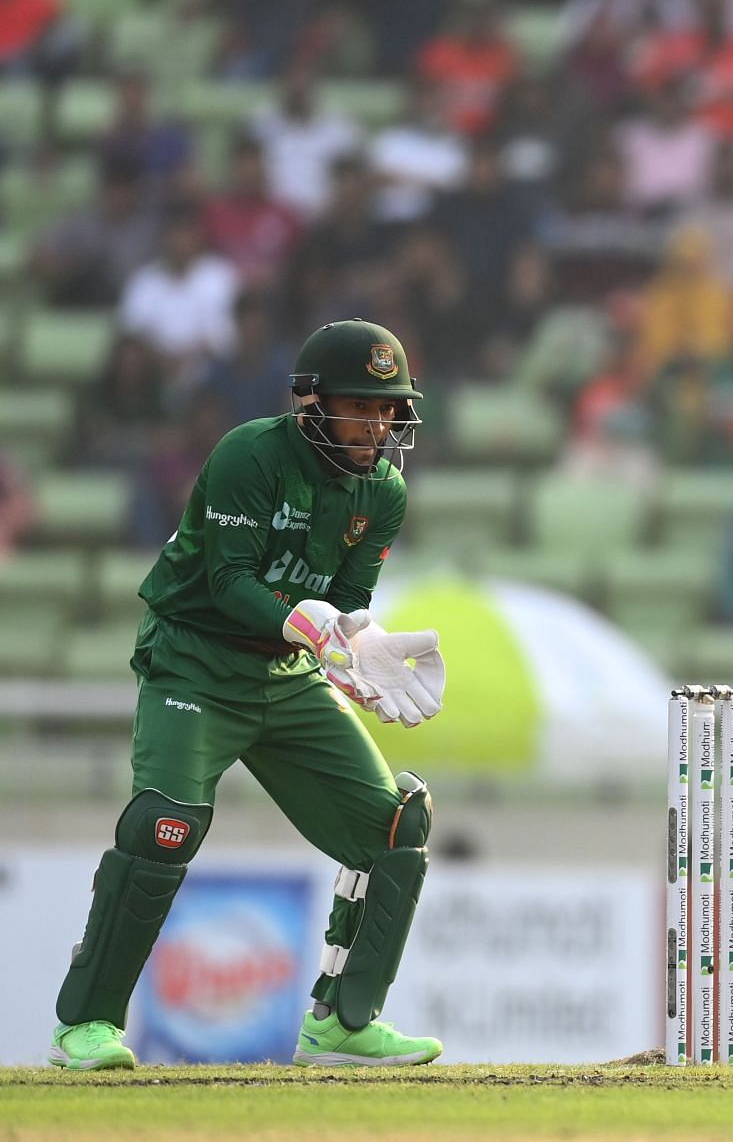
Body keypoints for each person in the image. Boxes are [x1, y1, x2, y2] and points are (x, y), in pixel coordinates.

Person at [48, 319, 449, 1072]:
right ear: (313, 401)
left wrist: (358, 652)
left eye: (389, 407)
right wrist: (308, 624)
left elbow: (345, 601)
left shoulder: (384, 491)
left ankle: (343, 1022)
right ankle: (87, 1024)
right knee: (165, 823)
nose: (378, 423)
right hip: (195, 661)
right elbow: (227, 582)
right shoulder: (250, 454)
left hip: (284, 674)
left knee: (397, 825)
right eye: (361, 404)